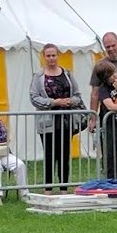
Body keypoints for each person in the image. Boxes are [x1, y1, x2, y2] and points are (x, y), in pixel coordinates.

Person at [29, 43, 84, 194]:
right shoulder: (38, 77)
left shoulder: (67, 74)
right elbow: (34, 98)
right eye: (48, 56)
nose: (51, 58)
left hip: (66, 120)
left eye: (54, 55)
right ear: (44, 57)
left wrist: (69, 101)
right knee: (49, 155)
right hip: (47, 122)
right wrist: (53, 102)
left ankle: (64, 189)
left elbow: (78, 96)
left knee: (64, 155)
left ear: (57, 56)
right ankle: (47, 189)